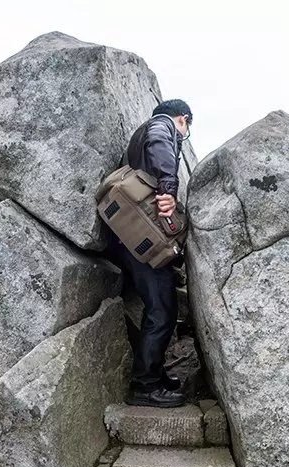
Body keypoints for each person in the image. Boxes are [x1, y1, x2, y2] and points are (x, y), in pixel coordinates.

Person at [104, 99, 193, 408]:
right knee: (162, 310)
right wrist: (168, 190)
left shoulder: (140, 134)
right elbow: (160, 142)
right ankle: (145, 386)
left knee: (160, 309)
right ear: (182, 119)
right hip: (138, 238)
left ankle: (153, 374)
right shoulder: (161, 127)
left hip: (130, 233)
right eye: (185, 129)